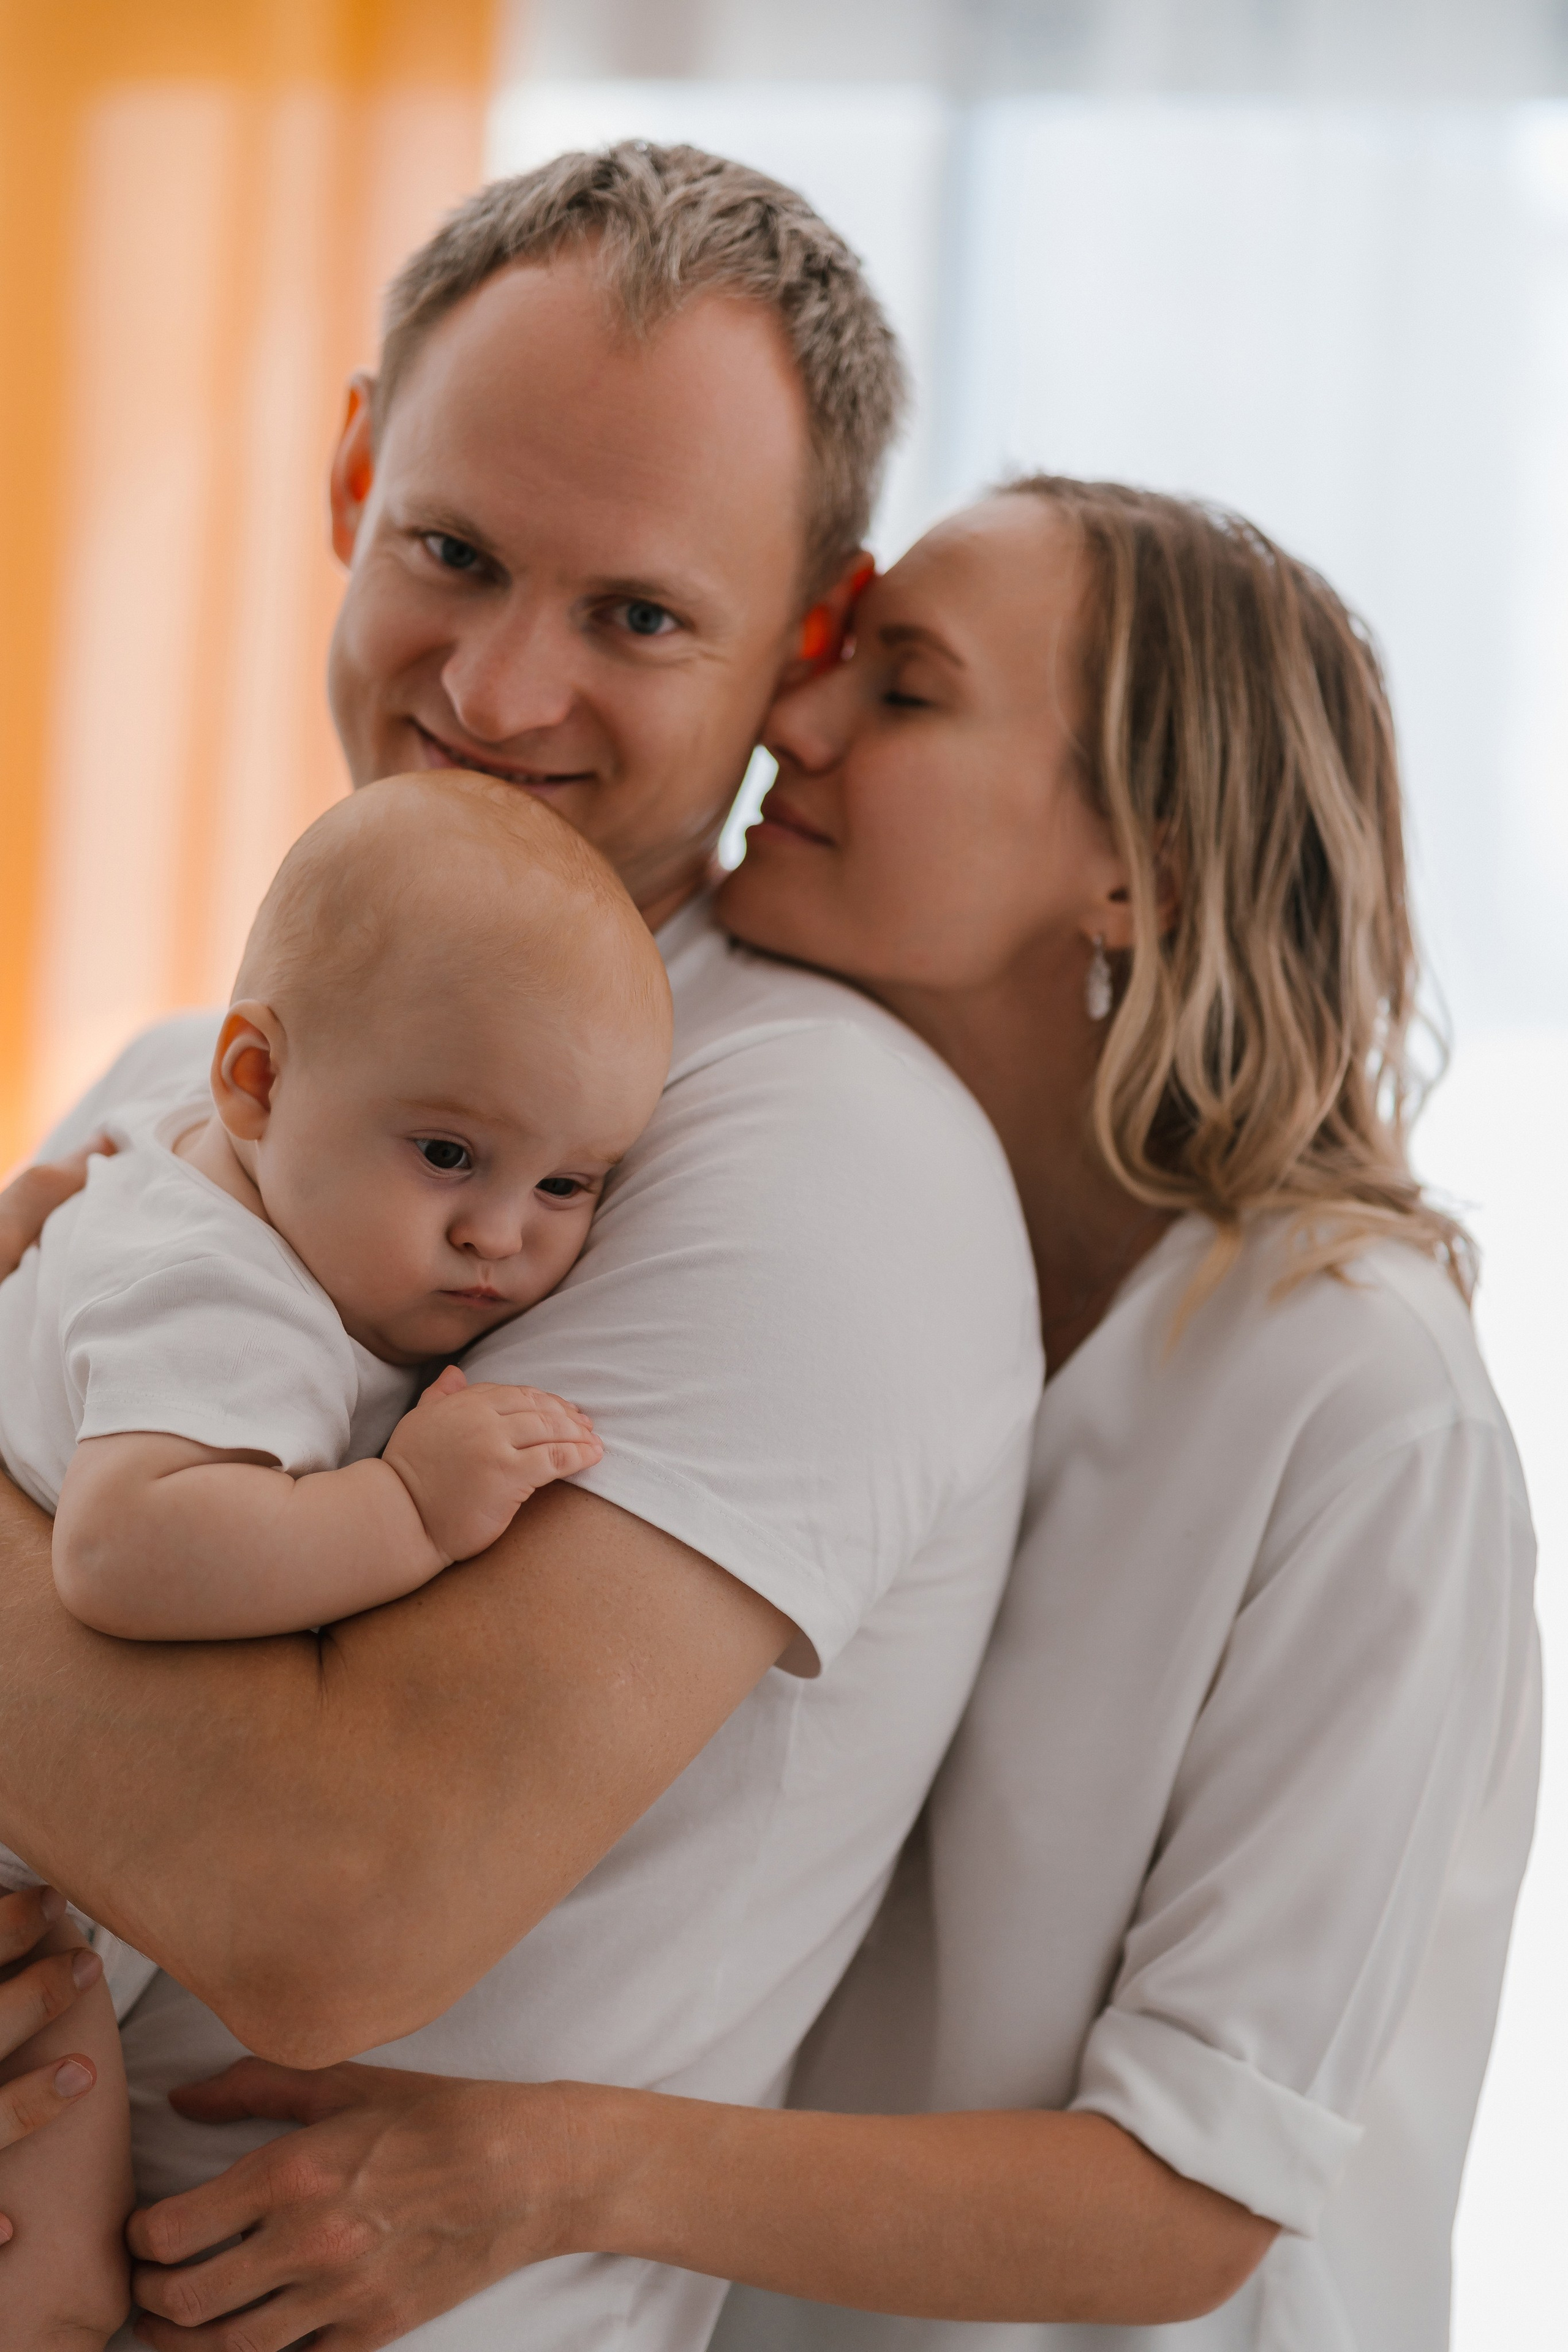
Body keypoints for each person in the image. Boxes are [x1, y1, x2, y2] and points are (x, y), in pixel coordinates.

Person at [102, 480, 1535, 2352]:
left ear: (1138, 870)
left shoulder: (1360, 1395)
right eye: (836, 658)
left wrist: (539, 2170)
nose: (795, 717)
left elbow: (1192, 2201)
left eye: (907, 691)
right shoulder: (760, 1205)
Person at [0, 147, 1042, 2352]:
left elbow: (324, 1896)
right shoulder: (187, 1076)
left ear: (810, 636)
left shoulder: (808, 1146)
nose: (495, 687)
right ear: (355, 469)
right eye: (453, 550)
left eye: (639, 616)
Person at [0, 772, 665, 2345]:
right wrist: (409, 1517)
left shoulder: (195, 1181)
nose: (503, 1234)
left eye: (567, 1186)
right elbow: (123, 1549)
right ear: (252, 1081)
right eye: (448, 1153)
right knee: (59, 2290)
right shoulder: (229, 1303)